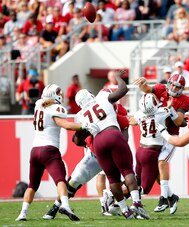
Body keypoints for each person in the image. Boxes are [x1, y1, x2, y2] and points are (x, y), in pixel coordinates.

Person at [15, 84, 99, 221]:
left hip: (35, 150)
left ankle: (23, 213)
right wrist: (84, 125)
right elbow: (65, 124)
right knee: (60, 180)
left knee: (32, 185)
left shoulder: (38, 105)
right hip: (49, 150)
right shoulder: (56, 108)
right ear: (56, 95)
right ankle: (65, 205)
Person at [74, 72, 149, 220]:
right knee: (127, 171)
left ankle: (125, 210)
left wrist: (85, 131)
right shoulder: (102, 97)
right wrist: (119, 78)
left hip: (98, 143)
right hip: (112, 133)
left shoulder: (80, 115)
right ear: (90, 95)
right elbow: (123, 90)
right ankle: (137, 203)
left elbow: (77, 141)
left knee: (112, 178)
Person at [43, 103, 130, 219]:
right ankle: (55, 207)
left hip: (104, 152)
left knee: (129, 181)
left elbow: (77, 140)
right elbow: (77, 140)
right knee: (74, 181)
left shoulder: (107, 107)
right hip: (99, 154)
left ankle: (113, 200)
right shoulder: (90, 112)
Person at [134, 73, 189, 214]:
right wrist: (143, 83)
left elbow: (178, 122)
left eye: (177, 86)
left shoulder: (185, 100)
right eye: (172, 84)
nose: (173, 87)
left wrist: (170, 108)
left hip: (171, 136)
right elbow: (146, 89)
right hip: (158, 136)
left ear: (181, 88)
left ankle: (163, 198)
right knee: (155, 169)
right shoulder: (160, 88)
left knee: (161, 162)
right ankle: (171, 197)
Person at [129, 93, 171, 195]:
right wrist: (169, 104)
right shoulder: (162, 112)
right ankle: (113, 194)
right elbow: (169, 109)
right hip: (151, 152)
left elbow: (131, 121)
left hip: (140, 150)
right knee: (144, 189)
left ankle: (135, 204)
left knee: (136, 182)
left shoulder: (139, 114)